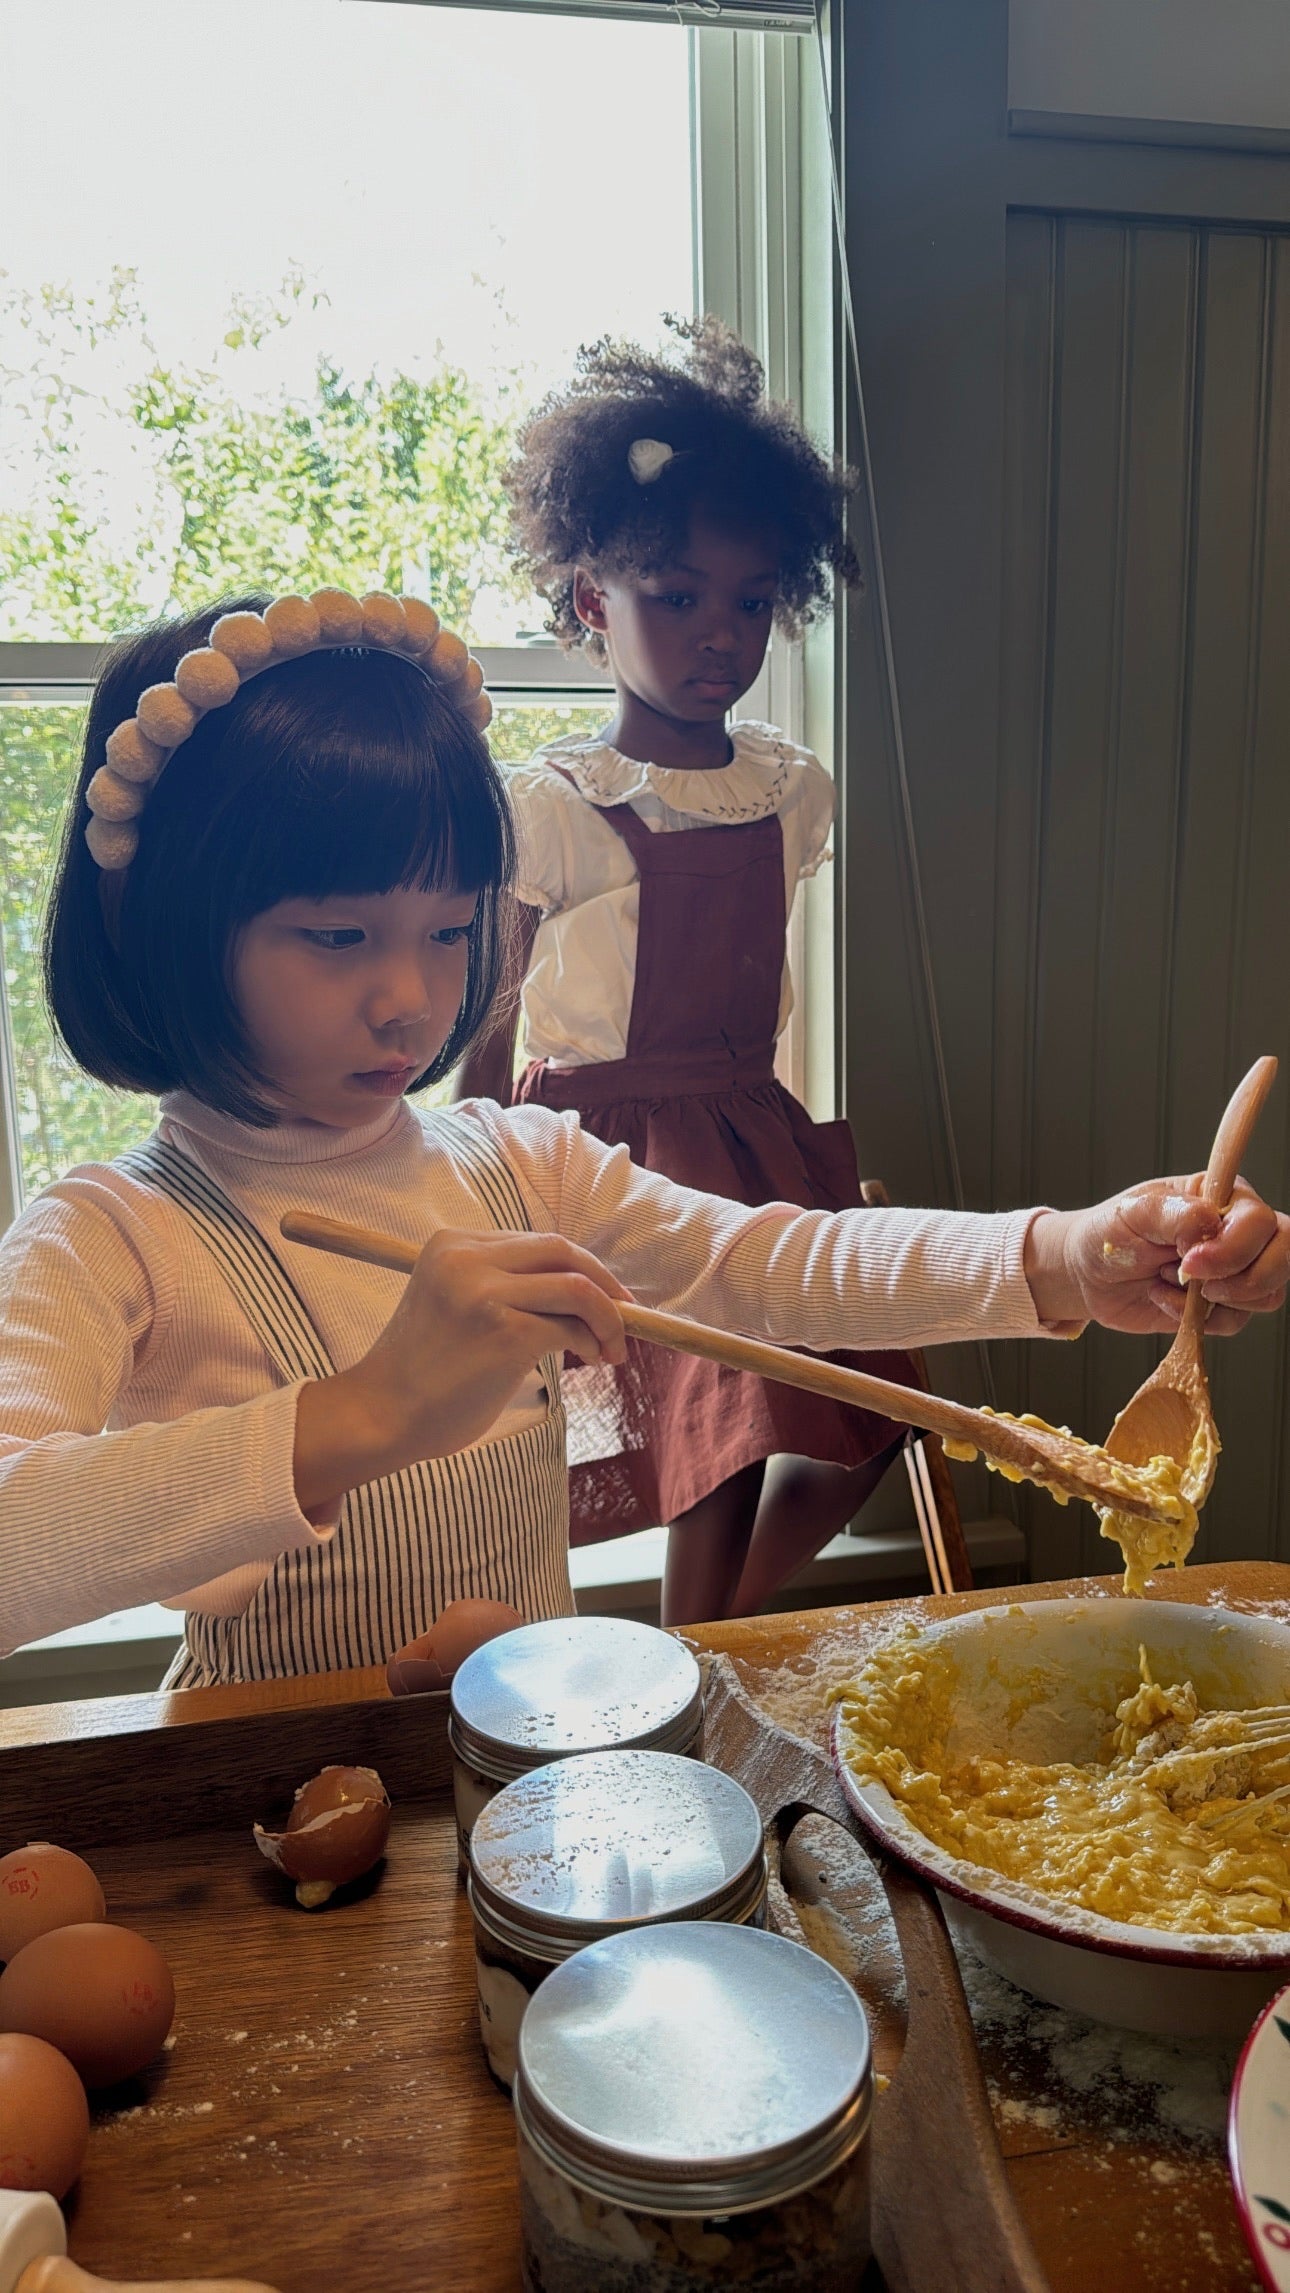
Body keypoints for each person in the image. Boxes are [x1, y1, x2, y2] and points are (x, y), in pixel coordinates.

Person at [1, 584, 1283, 1684]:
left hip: (528, 1790)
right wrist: (367, 1412)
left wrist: (1066, 1256)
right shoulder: (117, 1233)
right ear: (172, 931)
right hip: (262, 1841)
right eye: (338, 936)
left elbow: (776, 1265)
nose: (410, 996)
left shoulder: (512, 1164)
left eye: (451, 931)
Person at [452, 320, 914, 1619]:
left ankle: (703, 1642)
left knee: (888, 1402)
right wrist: (470, 1181)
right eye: (675, 595)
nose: (720, 632)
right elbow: (490, 1015)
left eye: (751, 600)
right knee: (721, 1427)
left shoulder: (785, 790)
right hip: (607, 1153)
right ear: (592, 600)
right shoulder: (554, 803)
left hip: (747, 1129)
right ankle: (694, 1659)